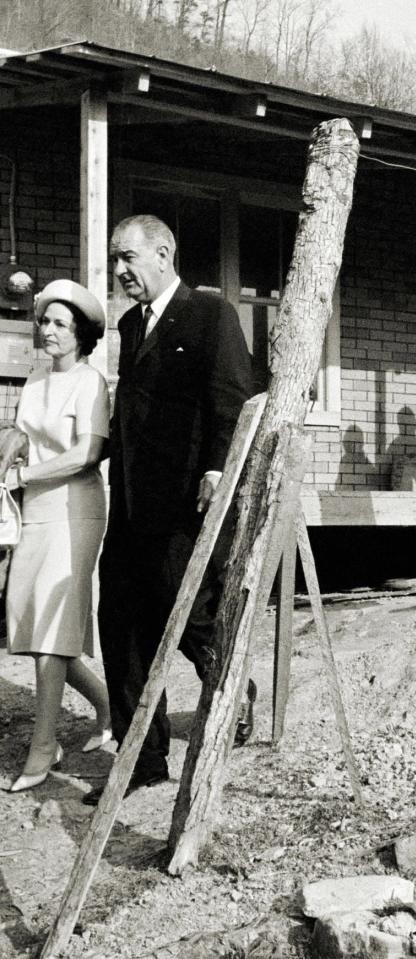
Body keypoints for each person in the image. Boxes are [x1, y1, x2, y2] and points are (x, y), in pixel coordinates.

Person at [85, 215, 254, 805]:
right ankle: (143, 758)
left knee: (189, 612)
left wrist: (216, 470)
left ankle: (233, 688)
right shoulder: (131, 326)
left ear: (163, 252)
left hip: (188, 502)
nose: (119, 271)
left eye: (127, 257)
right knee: (122, 624)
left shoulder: (211, 315)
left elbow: (232, 401)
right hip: (132, 504)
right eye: (114, 259)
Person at [3, 280, 112, 792]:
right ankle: (109, 707)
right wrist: (9, 452)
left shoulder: (91, 382)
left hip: (76, 510)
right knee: (34, 630)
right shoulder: (35, 382)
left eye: (60, 324)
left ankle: (44, 747)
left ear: (81, 334)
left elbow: (86, 454)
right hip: (35, 512)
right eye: (44, 321)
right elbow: (23, 434)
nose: (48, 330)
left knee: (53, 630)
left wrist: (24, 476)